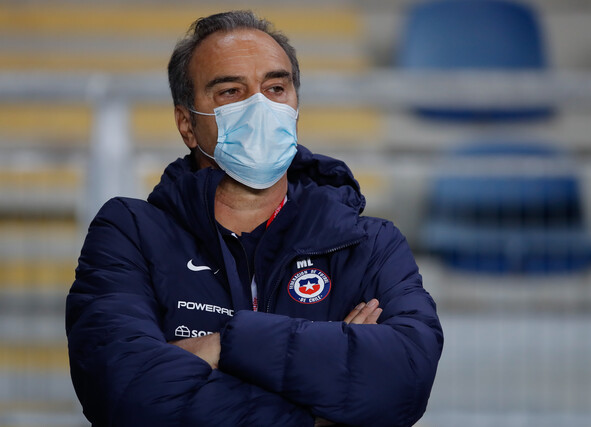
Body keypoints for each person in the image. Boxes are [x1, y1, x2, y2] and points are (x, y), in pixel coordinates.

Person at [66, 10, 443, 427]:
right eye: (231, 91)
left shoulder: (368, 244)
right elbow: (126, 391)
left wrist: (225, 345)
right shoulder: (130, 233)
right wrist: (317, 412)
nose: (260, 106)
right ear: (187, 124)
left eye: (276, 88)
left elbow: (403, 381)